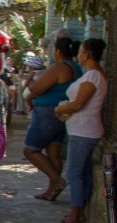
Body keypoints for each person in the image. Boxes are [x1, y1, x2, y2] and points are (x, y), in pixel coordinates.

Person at [54, 38, 108, 223]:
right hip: (82, 130)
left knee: (73, 173)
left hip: (84, 131)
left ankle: (75, 216)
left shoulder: (93, 76)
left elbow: (78, 104)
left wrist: (61, 109)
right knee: (82, 173)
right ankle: (79, 212)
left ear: (87, 54)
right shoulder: (93, 74)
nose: (78, 55)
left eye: (81, 52)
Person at [23, 37, 82, 200]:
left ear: (57, 51)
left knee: (30, 150)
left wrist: (30, 88)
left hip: (48, 113)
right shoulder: (76, 68)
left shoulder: (59, 67)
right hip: (61, 114)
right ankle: (52, 190)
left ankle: (57, 181)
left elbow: (37, 88)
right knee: (53, 152)